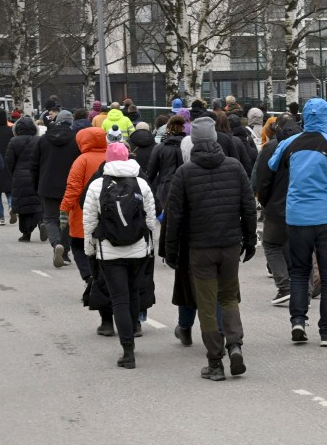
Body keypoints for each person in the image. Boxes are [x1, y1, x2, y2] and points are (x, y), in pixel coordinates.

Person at [164, 116, 257, 381]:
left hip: (200, 248)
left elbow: (175, 217)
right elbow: (248, 207)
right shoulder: (234, 166)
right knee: (229, 297)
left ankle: (215, 363)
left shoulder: (185, 173)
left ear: (193, 142)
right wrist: (249, 241)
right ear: (215, 139)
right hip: (229, 245)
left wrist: (172, 252)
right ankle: (235, 344)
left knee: (206, 305)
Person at [268, 98, 327, 346]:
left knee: (299, 271)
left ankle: (297, 320)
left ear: (303, 118)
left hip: (295, 216)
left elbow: (273, 165)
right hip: (326, 216)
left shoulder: (288, 143)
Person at [82, 142, 157, 369]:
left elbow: (89, 221)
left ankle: (128, 352)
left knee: (119, 300)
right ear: (128, 158)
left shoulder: (97, 185)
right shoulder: (141, 183)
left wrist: (89, 249)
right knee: (133, 294)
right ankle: (133, 333)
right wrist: (150, 246)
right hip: (138, 249)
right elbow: (151, 219)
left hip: (109, 251)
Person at [61, 127, 111, 333]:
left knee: (79, 248)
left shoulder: (81, 161)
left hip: (83, 215)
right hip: (110, 218)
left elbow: (73, 187)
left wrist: (64, 209)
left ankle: (89, 279)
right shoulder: (112, 156)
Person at [256, 114, 301, 306]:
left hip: (277, 204)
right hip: (303, 204)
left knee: (272, 244)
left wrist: (265, 202)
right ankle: (303, 289)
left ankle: (284, 286)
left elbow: (263, 179)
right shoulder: (307, 145)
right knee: (299, 246)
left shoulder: (272, 147)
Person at [31, 110, 81, 267]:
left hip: (47, 185)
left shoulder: (44, 139)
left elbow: (34, 165)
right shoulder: (76, 140)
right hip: (70, 186)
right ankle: (65, 253)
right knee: (67, 220)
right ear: (70, 121)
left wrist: (36, 185)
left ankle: (55, 244)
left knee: (50, 219)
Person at [6, 118, 43, 243]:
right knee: (38, 203)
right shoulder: (39, 140)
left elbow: (9, 161)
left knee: (23, 207)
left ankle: (26, 234)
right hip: (37, 175)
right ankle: (41, 222)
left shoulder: (13, 141)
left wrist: (14, 173)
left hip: (19, 177)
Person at [0, 107, 13, 226]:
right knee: (9, 190)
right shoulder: (11, 130)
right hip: (9, 164)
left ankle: (1, 217)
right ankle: (12, 207)